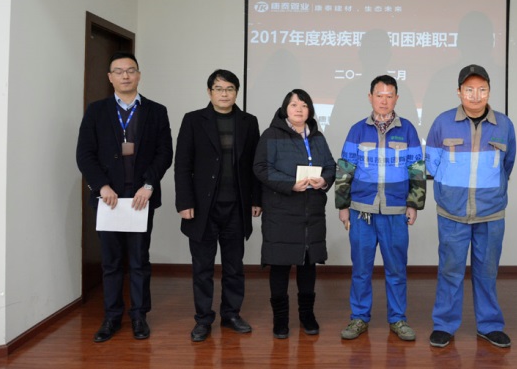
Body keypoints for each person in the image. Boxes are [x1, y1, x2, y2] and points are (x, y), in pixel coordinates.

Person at [76, 51, 173, 343]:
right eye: (118, 71)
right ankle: (112, 317)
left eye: (131, 70)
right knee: (111, 261)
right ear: (110, 77)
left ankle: (139, 316)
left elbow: (164, 153)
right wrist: (101, 186)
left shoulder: (156, 111)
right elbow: (85, 154)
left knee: (139, 259)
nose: (125, 76)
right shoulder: (96, 111)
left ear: (139, 75)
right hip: (109, 199)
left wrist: (149, 185)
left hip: (141, 197)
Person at [426, 64, 516, 349]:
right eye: (469, 90)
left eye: (482, 90)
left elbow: (507, 164)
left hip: (491, 213)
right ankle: (444, 325)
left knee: (487, 272)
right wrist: (450, 191)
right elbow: (431, 164)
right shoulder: (442, 122)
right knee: (450, 271)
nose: (475, 96)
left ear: (489, 91)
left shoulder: (504, 125)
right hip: (452, 213)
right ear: (459, 92)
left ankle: (489, 326)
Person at [335, 75, 426, 342]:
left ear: (396, 98)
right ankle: (359, 317)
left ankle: (397, 319)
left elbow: (417, 169)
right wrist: (343, 205)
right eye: (379, 95)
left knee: (396, 269)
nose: (384, 101)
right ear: (370, 97)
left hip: (396, 211)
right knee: (361, 269)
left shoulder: (407, 130)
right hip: (361, 210)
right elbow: (345, 168)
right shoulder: (357, 130)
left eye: (389, 96)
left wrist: (414, 204)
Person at [174, 69, 261, 342]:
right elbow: (182, 164)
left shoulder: (248, 122)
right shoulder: (193, 120)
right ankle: (203, 319)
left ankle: (231, 314)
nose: (224, 94)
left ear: (237, 92)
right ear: (209, 92)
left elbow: (255, 165)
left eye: (230, 88)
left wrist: (256, 199)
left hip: (236, 205)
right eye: (219, 88)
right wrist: (185, 201)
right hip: (202, 208)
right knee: (202, 267)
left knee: (234, 266)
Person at [253, 89, 336, 339]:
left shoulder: (318, 137)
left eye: (304, 105)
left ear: (310, 110)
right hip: (281, 212)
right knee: (280, 266)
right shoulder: (271, 135)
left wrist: (324, 180)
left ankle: (307, 315)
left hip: (312, 213)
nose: (299, 109)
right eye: (293, 105)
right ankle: (280, 320)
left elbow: (330, 166)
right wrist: (290, 184)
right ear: (284, 109)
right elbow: (261, 168)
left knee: (308, 266)